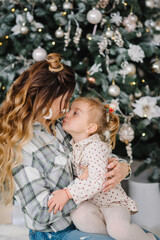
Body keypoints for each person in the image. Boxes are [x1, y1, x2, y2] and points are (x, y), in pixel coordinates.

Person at [0, 53, 158, 240]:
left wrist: (122, 167)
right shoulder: (23, 147)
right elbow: (40, 212)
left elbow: (97, 152)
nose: (67, 109)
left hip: (88, 216)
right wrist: (77, 188)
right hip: (55, 232)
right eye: (65, 100)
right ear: (47, 97)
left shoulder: (63, 127)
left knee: (139, 235)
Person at [48, 97, 156, 240]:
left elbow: (97, 181)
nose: (67, 114)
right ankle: (108, 237)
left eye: (75, 113)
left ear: (91, 128)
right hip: (91, 203)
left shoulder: (95, 147)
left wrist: (67, 193)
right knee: (78, 215)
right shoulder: (75, 144)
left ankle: (148, 238)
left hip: (112, 203)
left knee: (118, 229)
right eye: (69, 110)